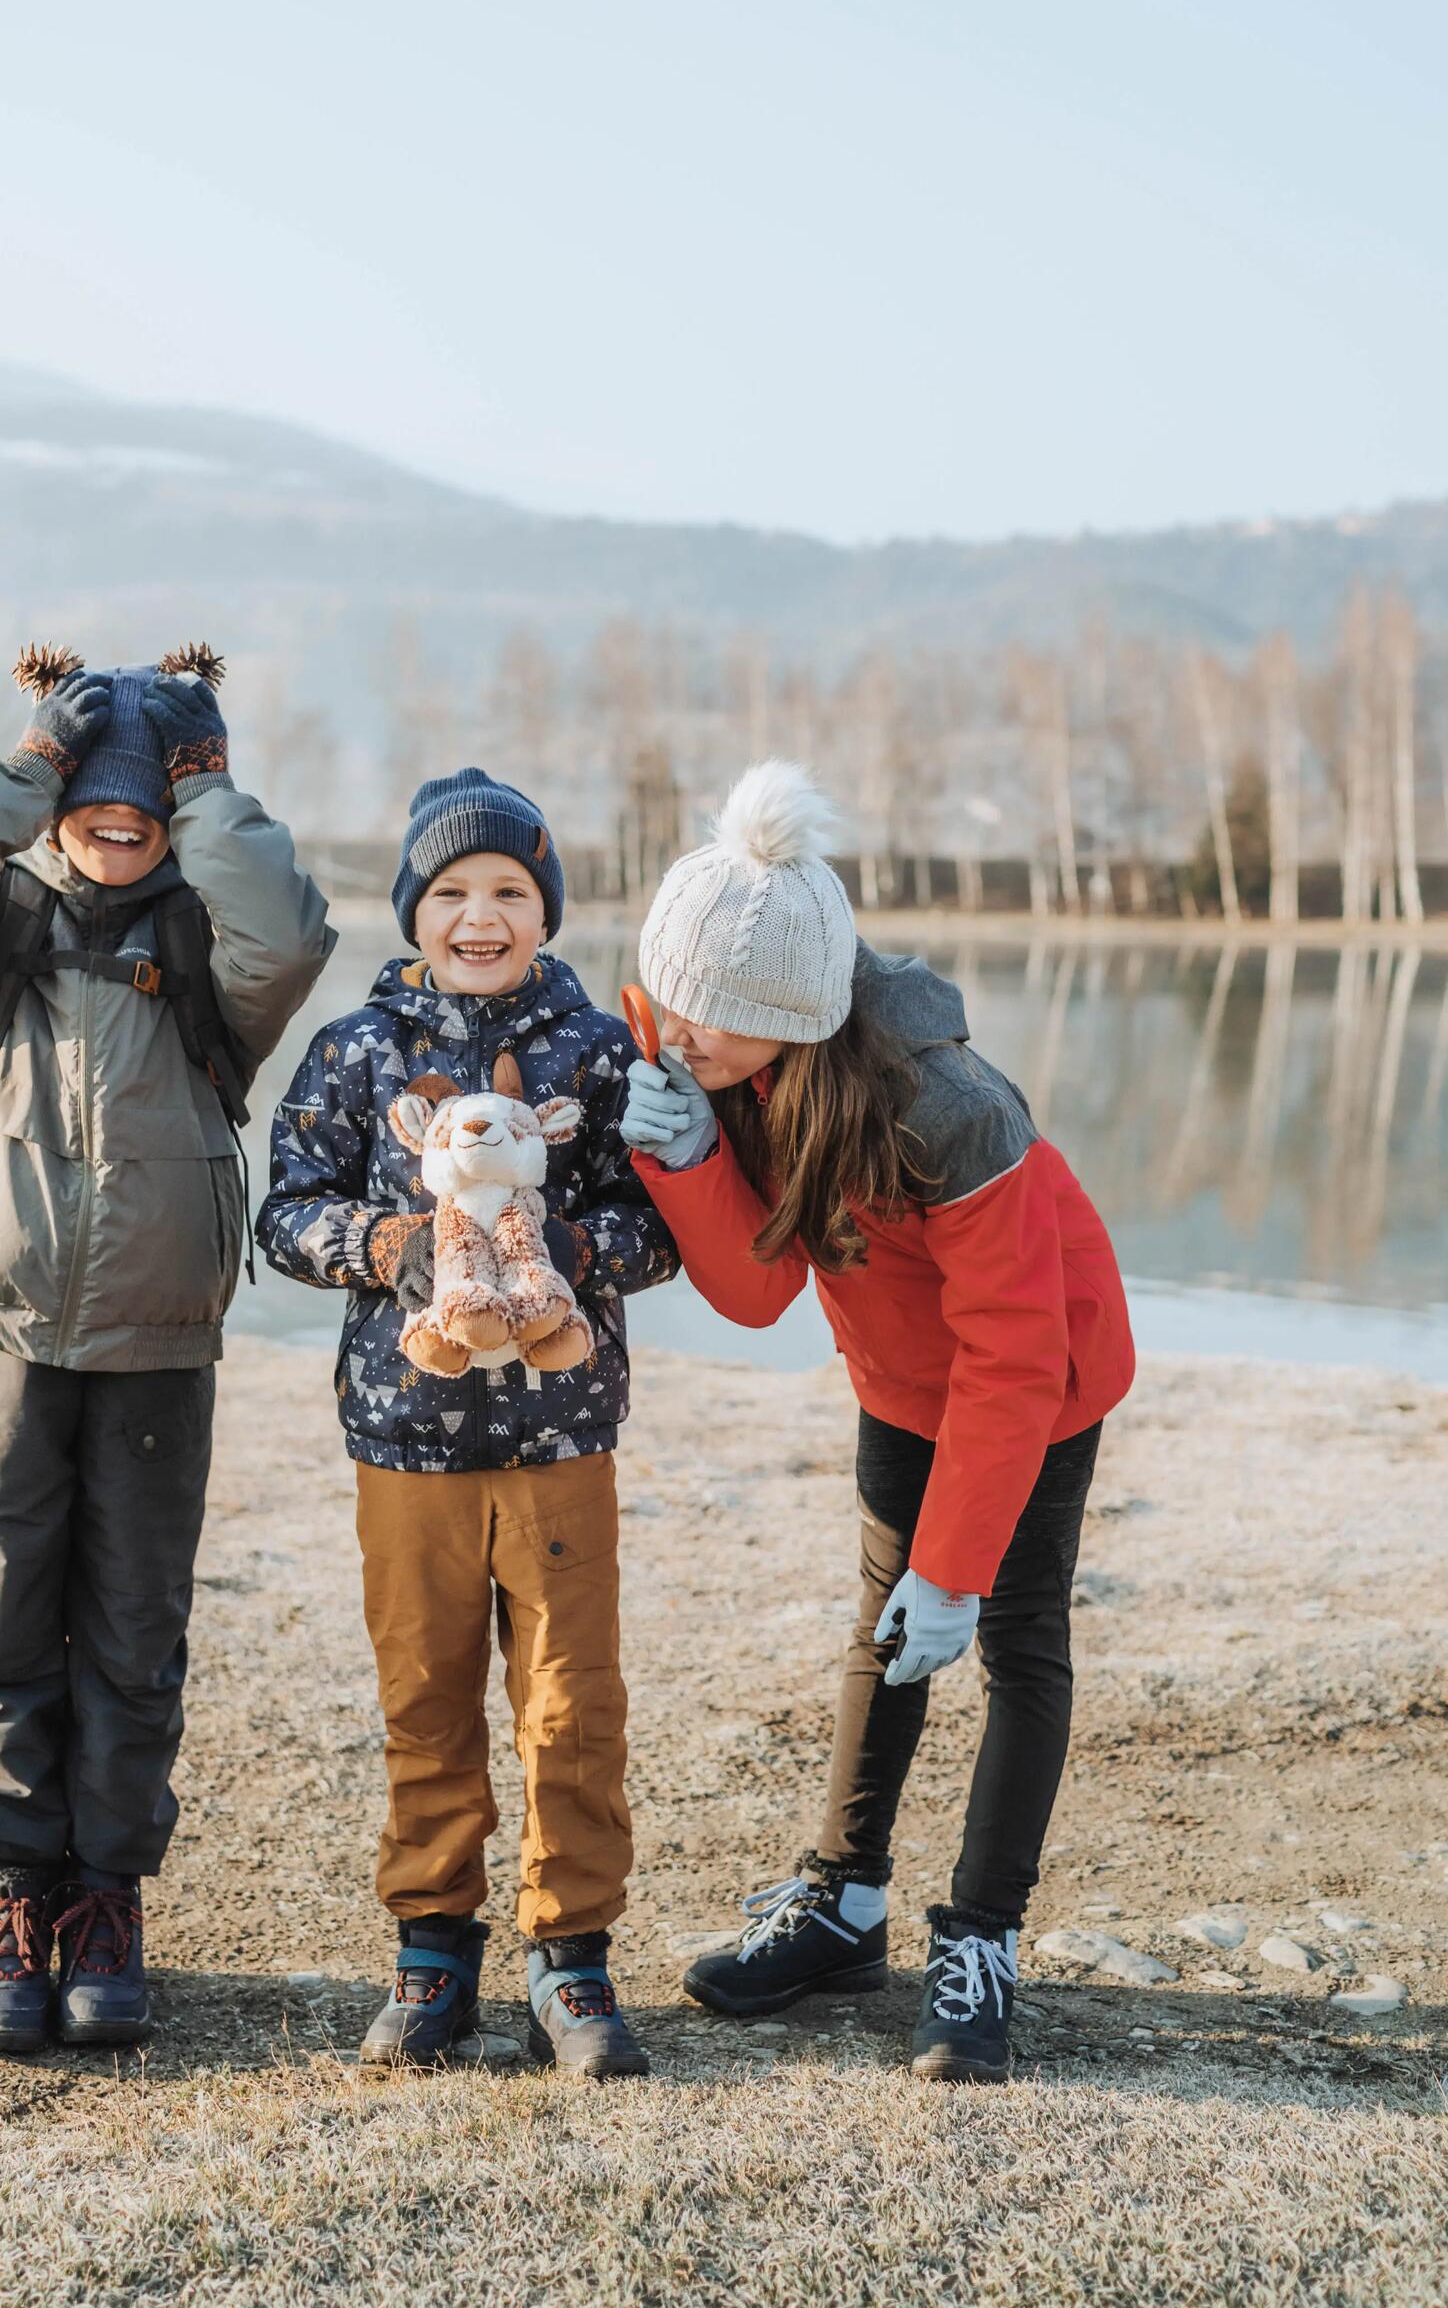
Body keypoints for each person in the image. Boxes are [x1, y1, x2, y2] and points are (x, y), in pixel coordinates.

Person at [619, 761, 1134, 2085]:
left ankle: (981, 1940)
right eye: (670, 998)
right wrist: (681, 1166)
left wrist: (956, 1565)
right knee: (883, 1625)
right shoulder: (711, 1046)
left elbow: (1014, 1359)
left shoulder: (951, 1108)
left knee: (1008, 1635)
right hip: (900, 1380)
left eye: (709, 1021)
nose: (676, 1032)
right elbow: (759, 1286)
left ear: (788, 1017)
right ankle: (844, 1901)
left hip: (1038, 1378)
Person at [0, 642, 333, 2054]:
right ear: (55, 787)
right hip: (1, 1316)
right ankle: (12, 1895)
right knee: (6, 1610)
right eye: (94, 792)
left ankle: (108, 1898)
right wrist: (22, 771)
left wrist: (208, 787)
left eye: (146, 802)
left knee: (136, 1620)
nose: (117, 821)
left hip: (158, 1324)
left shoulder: (207, 941)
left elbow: (294, 933)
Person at [257, 767, 679, 2078]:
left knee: (572, 1704)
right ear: (412, 910)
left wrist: (559, 1242)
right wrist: (386, 1242)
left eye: (509, 890)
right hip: (408, 1438)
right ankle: (433, 1950)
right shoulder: (354, 1051)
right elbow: (283, 1212)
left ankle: (573, 1958)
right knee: (425, 1696)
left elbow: (661, 1224)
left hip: (562, 1436)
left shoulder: (603, 1051)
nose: (480, 914)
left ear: (545, 908)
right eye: (451, 892)